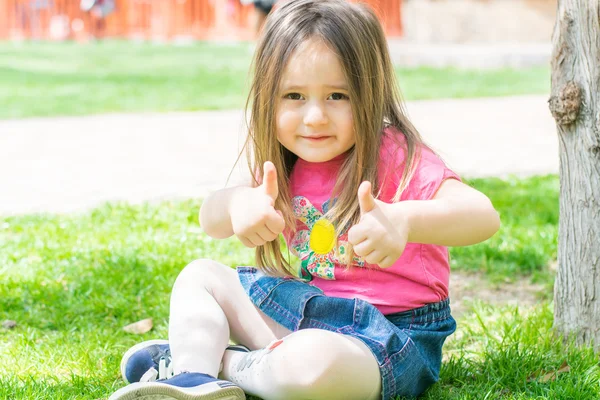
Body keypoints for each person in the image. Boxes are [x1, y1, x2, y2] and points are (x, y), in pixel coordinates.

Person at [108, 1, 501, 399]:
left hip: (388, 340)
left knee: (311, 364)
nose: (314, 116)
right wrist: (235, 205)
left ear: (370, 93)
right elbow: (210, 218)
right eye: (294, 95)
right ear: (267, 98)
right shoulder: (284, 164)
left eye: (337, 96)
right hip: (308, 313)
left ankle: (225, 364)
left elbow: (482, 216)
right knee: (200, 277)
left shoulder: (395, 154)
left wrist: (406, 220)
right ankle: (193, 378)